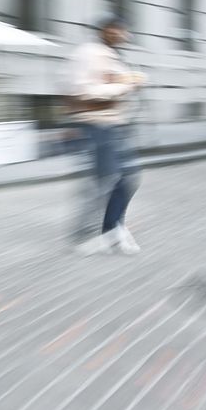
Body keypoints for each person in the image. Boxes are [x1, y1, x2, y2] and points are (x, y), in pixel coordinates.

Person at [67, 13, 145, 256]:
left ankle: (109, 230)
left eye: (124, 31)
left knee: (121, 180)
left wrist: (129, 81)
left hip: (113, 126)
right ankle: (95, 234)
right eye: (119, 30)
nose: (124, 35)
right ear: (107, 30)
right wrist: (126, 85)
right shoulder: (89, 54)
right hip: (96, 126)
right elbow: (84, 91)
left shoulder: (109, 54)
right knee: (108, 182)